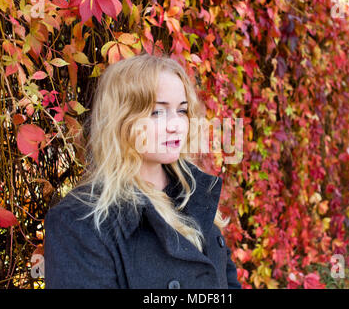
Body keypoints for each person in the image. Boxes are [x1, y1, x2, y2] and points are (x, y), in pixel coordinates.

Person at [44, 53, 241, 289]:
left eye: (182, 111)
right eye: (157, 112)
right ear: (122, 120)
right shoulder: (80, 221)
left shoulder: (196, 193)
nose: (176, 125)